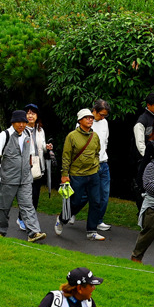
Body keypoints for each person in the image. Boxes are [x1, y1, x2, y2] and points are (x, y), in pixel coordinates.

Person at [0, 110, 46, 242]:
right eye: (18, 122)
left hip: (25, 178)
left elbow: (30, 154)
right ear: (13, 122)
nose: (21, 124)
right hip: (8, 178)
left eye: (24, 122)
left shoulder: (27, 135)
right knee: (4, 206)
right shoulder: (5, 135)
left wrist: (29, 168)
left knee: (28, 205)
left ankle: (33, 232)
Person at [56, 109, 105, 241]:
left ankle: (92, 231)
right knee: (76, 201)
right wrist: (64, 174)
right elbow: (66, 156)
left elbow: (97, 152)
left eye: (91, 118)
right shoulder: (71, 136)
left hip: (93, 173)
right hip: (77, 175)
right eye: (87, 118)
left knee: (96, 201)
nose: (90, 120)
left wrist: (96, 166)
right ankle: (61, 219)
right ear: (80, 121)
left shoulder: (94, 136)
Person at [21, 104, 54, 232]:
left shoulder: (40, 130)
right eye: (28, 113)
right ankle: (23, 218)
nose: (30, 115)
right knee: (26, 194)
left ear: (37, 116)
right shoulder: (21, 129)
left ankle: (30, 218)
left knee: (35, 194)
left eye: (33, 113)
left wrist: (47, 147)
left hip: (38, 166)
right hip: (25, 165)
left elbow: (41, 147)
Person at [132, 92, 154, 193]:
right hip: (145, 159)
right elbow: (140, 143)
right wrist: (147, 156)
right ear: (148, 105)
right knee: (144, 186)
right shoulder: (142, 121)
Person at [92, 100, 113, 228]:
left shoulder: (105, 122)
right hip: (90, 164)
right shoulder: (85, 121)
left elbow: (105, 141)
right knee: (84, 195)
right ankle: (71, 212)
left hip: (103, 162)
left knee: (104, 194)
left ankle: (98, 220)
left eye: (105, 115)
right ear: (94, 110)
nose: (103, 117)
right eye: (101, 114)